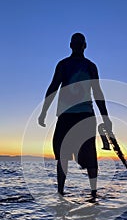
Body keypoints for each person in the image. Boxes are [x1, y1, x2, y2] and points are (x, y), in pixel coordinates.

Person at [38, 33, 112, 201]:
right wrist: (43, 111)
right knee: (69, 154)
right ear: (76, 45)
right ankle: (83, 194)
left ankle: (78, 194)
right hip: (73, 115)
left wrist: (105, 117)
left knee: (83, 153)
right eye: (77, 43)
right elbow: (53, 88)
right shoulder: (72, 65)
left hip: (79, 115)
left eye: (79, 43)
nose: (78, 46)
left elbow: (97, 92)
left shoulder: (77, 65)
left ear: (78, 45)